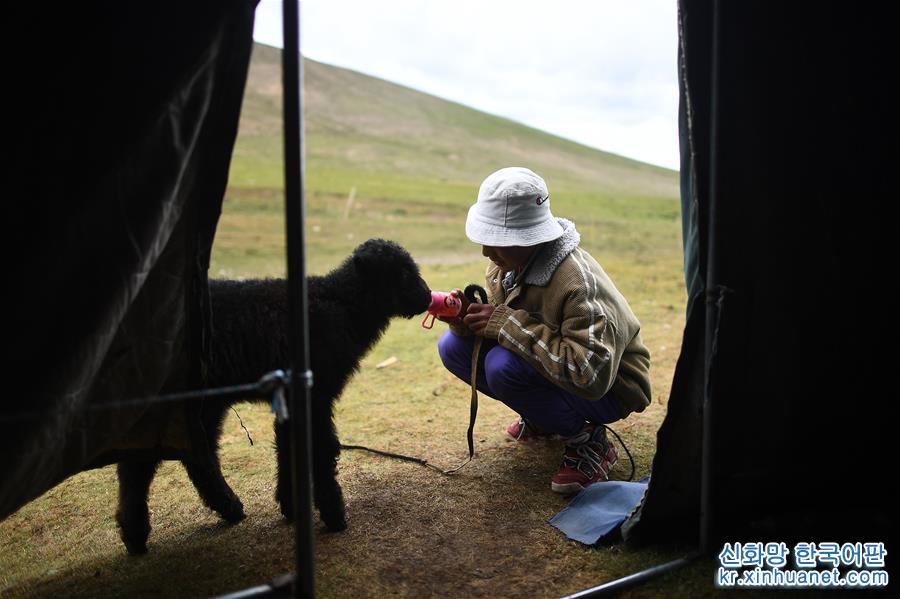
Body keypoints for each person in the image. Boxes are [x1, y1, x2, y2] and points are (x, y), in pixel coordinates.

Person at [437, 166, 651, 494]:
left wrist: (505, 324)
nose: (485, 251)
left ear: (531, 237)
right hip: (553, 368)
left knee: (502, 367)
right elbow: (502, 330)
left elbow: (589, 376)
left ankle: (587, 440)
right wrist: (466, 319)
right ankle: (543, 414)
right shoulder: (504, 265)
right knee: (453, 347)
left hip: (611, 389)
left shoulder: (578, 284)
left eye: (496, 240)